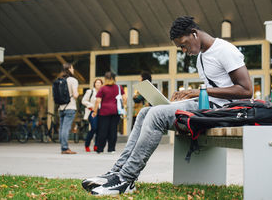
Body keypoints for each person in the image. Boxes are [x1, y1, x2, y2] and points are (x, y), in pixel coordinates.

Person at [82, 16, 252, 195]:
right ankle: (117, 172)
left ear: (194, 34)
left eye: (183, 45)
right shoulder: (201, 57)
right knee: (146, 112)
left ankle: (127, 179)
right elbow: (213, 90)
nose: (184, 50)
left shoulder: (224, 50)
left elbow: (246, 90)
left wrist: (199, 92)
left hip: (225, 112)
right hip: (209, 108)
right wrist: (186, 99)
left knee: (157, 115)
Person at [93, 71, 126, 154]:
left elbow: (98, 101)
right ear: (114, 78)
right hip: (115, 112)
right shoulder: (119, 87)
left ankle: (100, 149)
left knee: (103, 130)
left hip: (104, 112)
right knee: (113, 130)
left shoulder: (103, 88)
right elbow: (124, 98)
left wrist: (95, 111)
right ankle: (111, 149)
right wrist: (123, 106)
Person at [59, 63, 79, 155]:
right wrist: (77, 94)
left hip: (61, 107)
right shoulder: (73, 80)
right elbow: (75, 95)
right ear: (69, 69)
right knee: (66, 128)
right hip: (70, 107)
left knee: (62, 128)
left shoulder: (60, 80)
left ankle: (63, 147)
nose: (73, 69)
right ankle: (65, 148)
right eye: (72, 68)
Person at [82, 78, 103, 152]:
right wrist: (91, 105)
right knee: (94, 128)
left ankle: (96, 145)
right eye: (97, 83)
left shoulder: (103, 92)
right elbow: (83, 101)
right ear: (94, 84)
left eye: (99, 83)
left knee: (99, 130)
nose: (98, 84)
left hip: (101, 112)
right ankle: (87, 145)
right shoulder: (90, 91)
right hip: (92, 111)